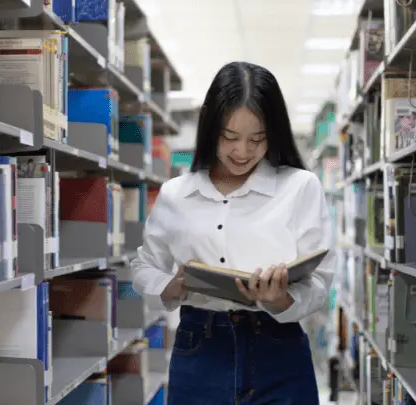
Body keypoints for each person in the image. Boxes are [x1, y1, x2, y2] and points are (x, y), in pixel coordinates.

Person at [130, 61, 333, 405]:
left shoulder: (301, 187)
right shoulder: (176, 194)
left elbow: (321, 282)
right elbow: (143, 267)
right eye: (230, 137)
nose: (242, 151)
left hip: (279, 352)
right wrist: (174, 284)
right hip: (200, 353)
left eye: (257, 139)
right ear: (211, 128)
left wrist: (281, 300)